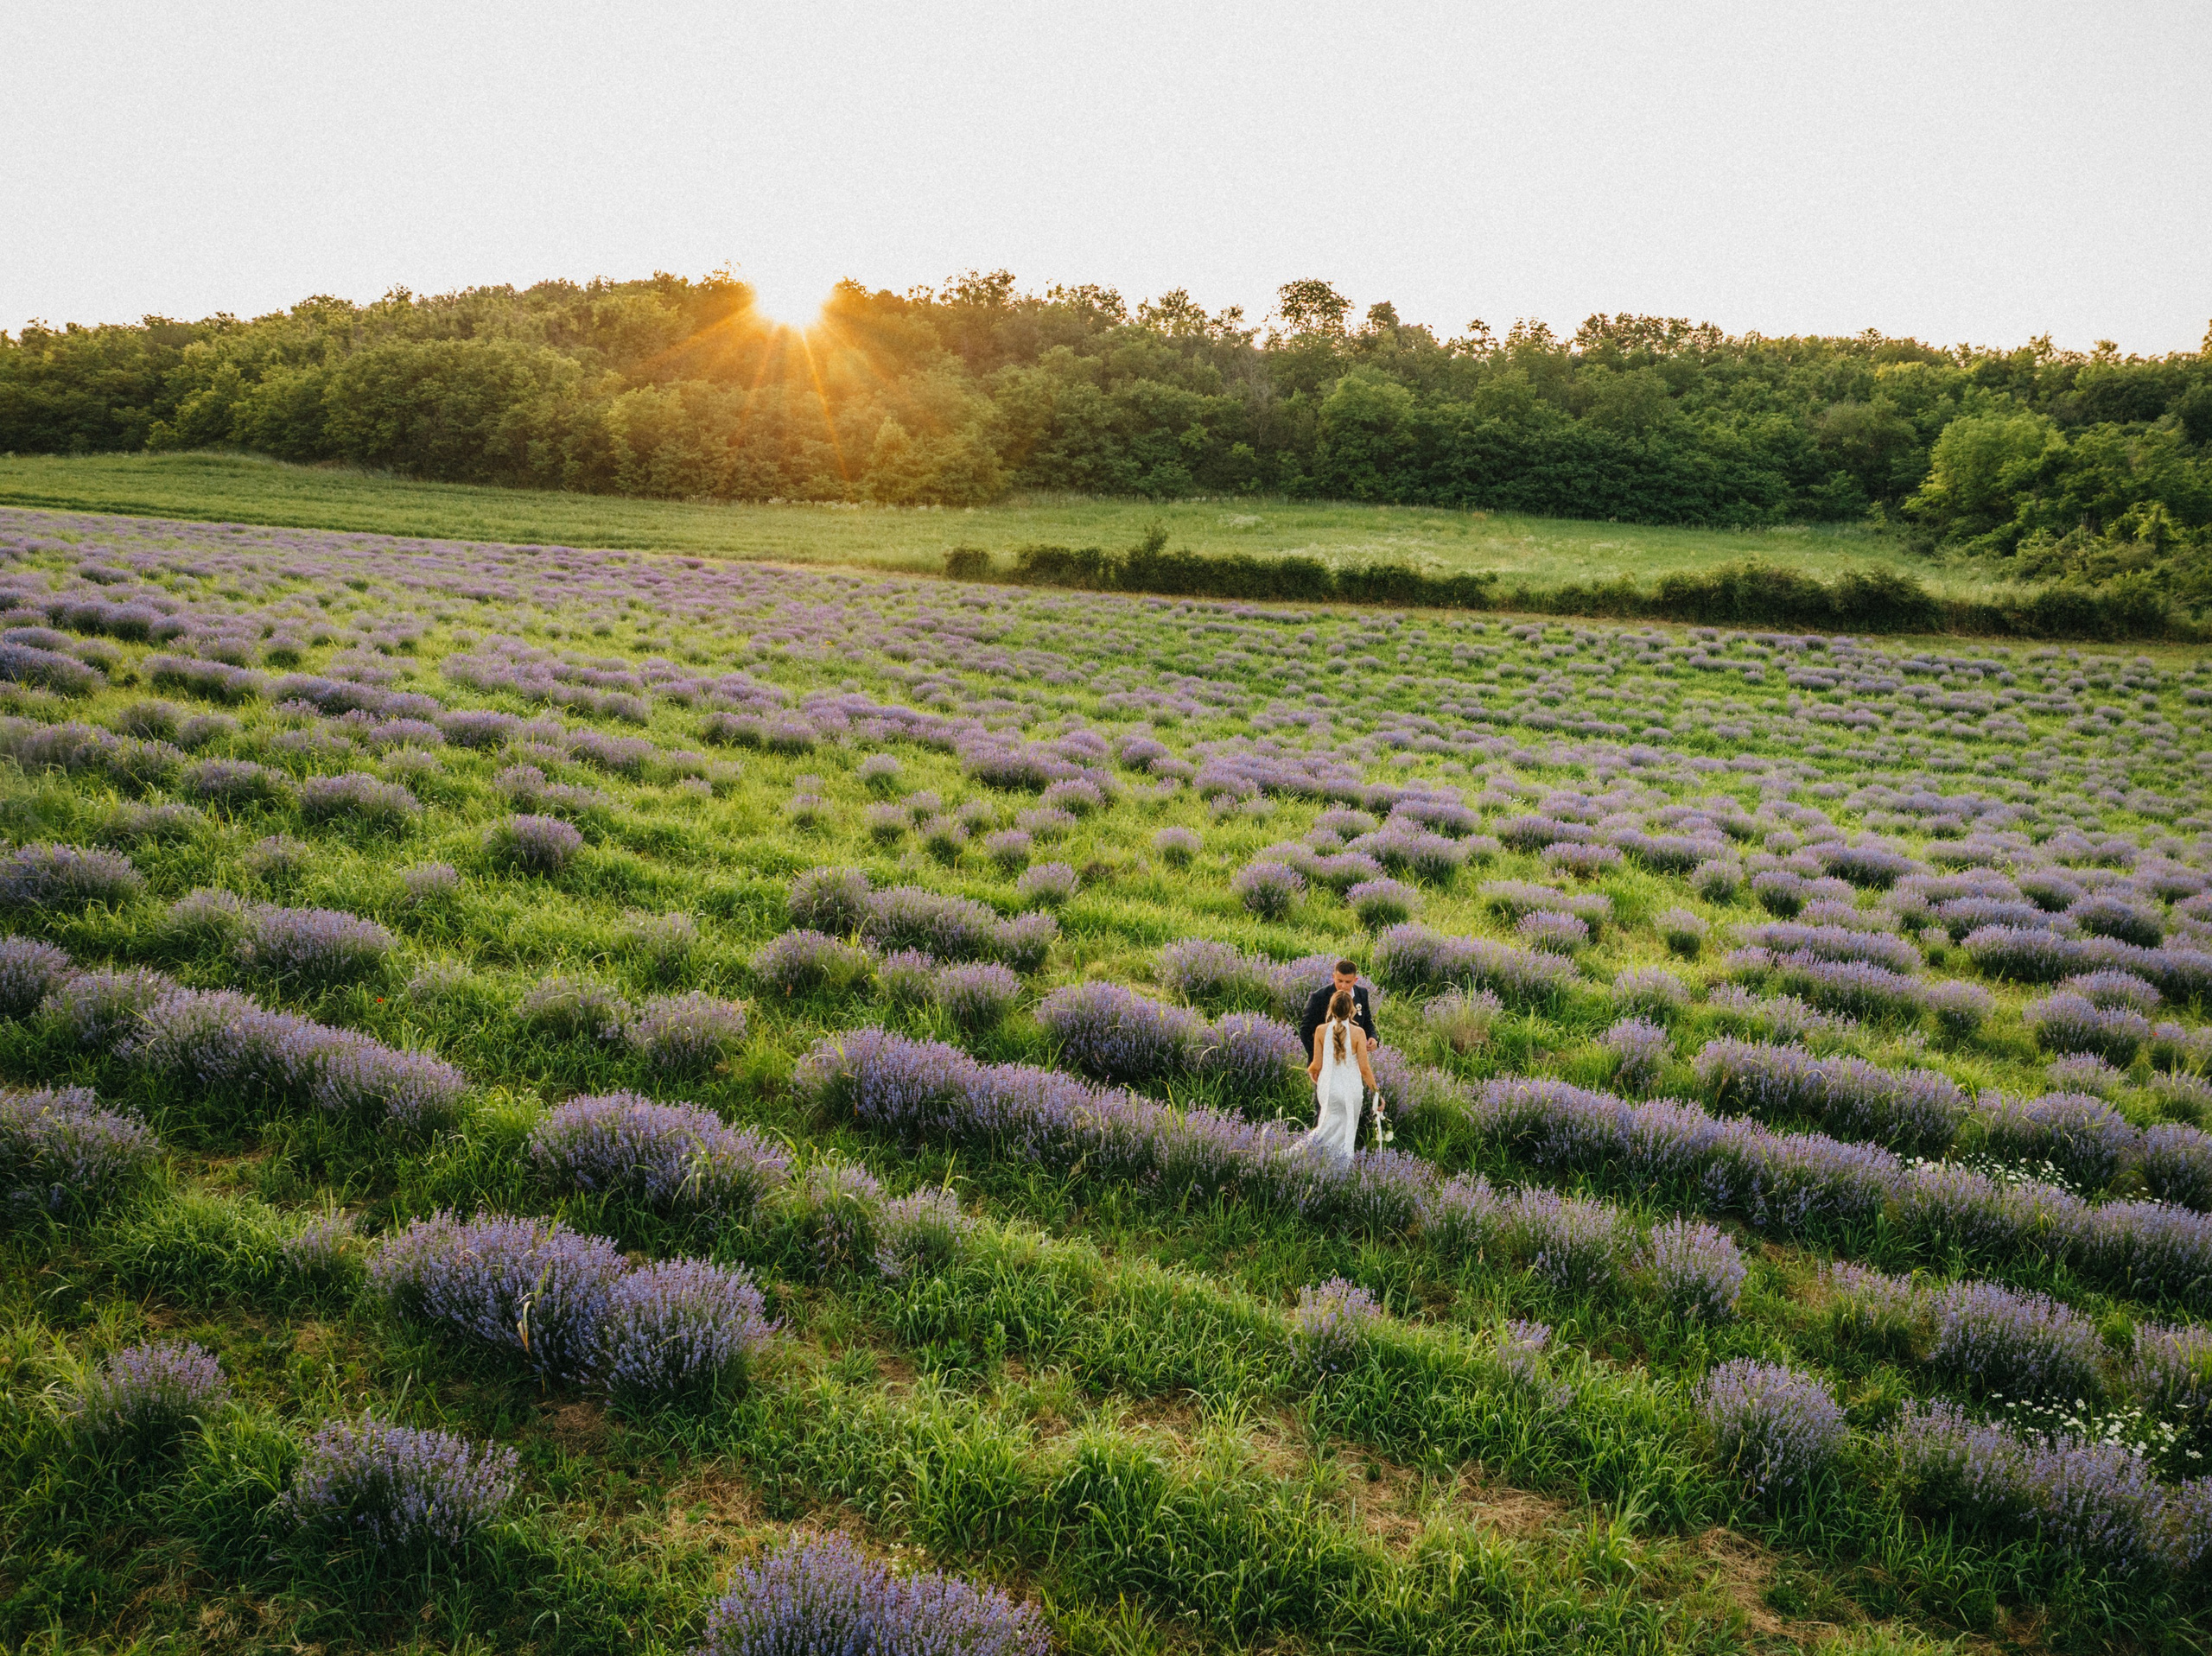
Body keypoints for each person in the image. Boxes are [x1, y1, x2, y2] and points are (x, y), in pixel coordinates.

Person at [1306, 987, 1376, 1162]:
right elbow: (1365, 1069)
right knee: (1346, 1131)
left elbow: (1317, 1064)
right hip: (1351, 1090)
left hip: (1329, 1088)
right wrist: (1377, 1093)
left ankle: (1314, 1159)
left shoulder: (1321, 1030)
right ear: (1352, 1010)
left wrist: (1311, 1071)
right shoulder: (1359, 1033)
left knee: (1324, 1127)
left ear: (1330, 1008)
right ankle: (1340, 1167)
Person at [1299, 960, 1377, 1059]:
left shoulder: (1362, 993)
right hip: (1326, 1059)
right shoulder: (1319, 997)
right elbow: (1305, 1031)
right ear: (1333, 977)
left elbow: (1367, 1021)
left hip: (1353, 1059)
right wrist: (1318, 1056)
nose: (1343, 986)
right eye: (1339, 981)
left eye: (1348, 982)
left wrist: (1373, 1037)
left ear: (1355, 980)